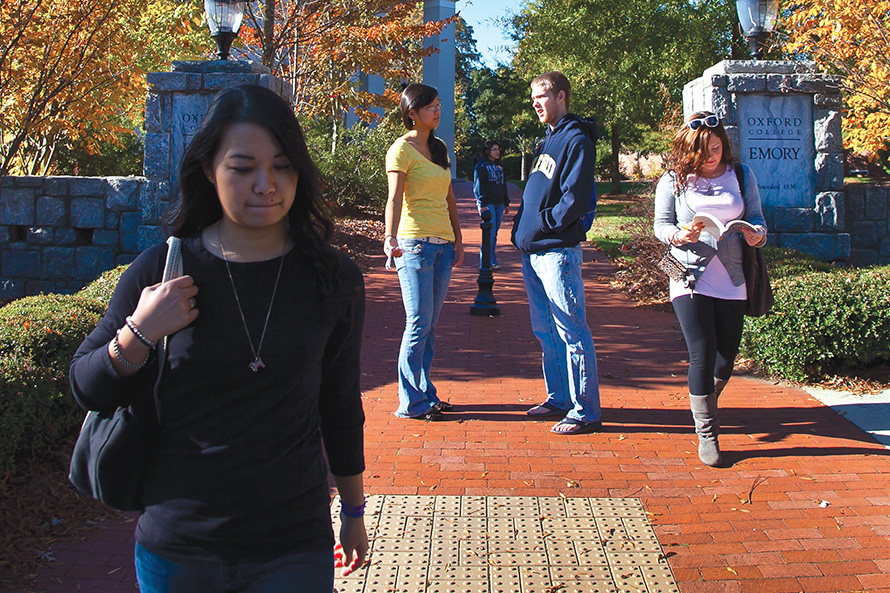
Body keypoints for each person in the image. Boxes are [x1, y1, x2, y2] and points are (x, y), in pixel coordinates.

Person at [70, 85, 368, 592]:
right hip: (179, 547)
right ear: (210, 169)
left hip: (293, 543)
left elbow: (339, 403)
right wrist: (140, 332)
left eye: (282, 165)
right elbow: (87, 385)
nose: (266, 185)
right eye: (243, 167)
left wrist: (354, 510)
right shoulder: (163, 271)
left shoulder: (331, 278)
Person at [653, 111, 767, 467]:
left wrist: (757, 234)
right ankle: (707, 432)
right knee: (702, 352)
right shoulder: (673, 181)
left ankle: (705, 399)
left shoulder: (742, 174)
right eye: (703, 151)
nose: (711, 156)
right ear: (689, 150)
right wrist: (678, 234)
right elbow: (661, 225)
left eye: (716, 148)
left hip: (733, 278)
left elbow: (760, 219)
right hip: (688, 274)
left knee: (725, 357)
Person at [511, 71, 603, 435]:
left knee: (572, 330)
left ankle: (585, 410)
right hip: (532, 252)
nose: (535, 102)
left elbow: (577, 197)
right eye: (532, 96)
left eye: (542, 95)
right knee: (545, 331)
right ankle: (559, 398)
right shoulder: (547, 140)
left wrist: (547, 223)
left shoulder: (576, 139)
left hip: (556, 253)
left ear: (561, 96)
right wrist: (523, 227)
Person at [383, 83, 464, 421]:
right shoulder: (400, 150)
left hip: (443, 246)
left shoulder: (441, 148)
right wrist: (389, 237)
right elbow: (394, 199)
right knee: (417, 321)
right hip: (414, 245)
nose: (437, 110)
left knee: (429, 325)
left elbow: (449, 198)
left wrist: (458, 238)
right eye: (431, 105)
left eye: (439, 104)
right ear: (411, 113)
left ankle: (425, 393)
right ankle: (411, 402)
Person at [473, 140, 510, 269]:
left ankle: (491, 260)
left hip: (499, 203)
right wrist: (482, 203)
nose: (498, 152)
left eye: (498, 149)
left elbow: (503, 185)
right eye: (494, 149)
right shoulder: (481, 165)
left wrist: (506, 202)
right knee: (490, 233)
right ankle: (485, 262)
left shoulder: (499, 167)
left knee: (494, 234)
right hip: (487, 203)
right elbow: (479, 185)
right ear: (488, 151)